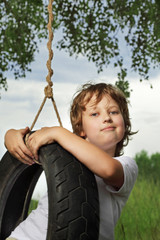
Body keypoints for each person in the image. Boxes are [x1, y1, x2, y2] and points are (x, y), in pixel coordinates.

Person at [4, 83, 138, 240]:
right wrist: (10, 136)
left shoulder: (127, 165)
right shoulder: (64, 156)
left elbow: (108, 169)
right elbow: (27, 151)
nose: (107, 118)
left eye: (114, 112)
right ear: (81, 129)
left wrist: (58, 132)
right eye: (95, 114)